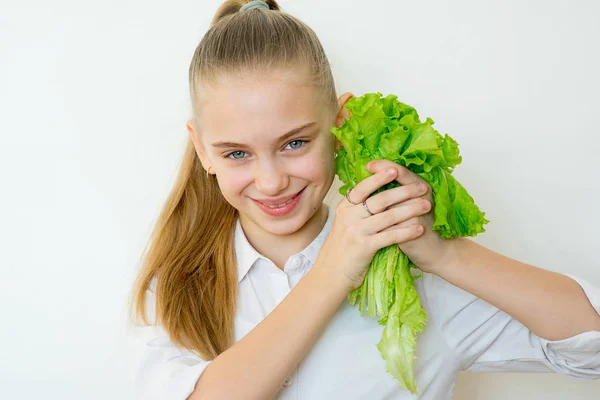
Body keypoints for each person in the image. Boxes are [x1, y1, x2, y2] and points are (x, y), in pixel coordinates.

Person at [129, 1, 600, 399]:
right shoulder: (174, 288)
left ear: (339, 125)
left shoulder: (410, 277)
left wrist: (446, 253)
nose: (270, 182)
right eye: (237, 153)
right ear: (201, 150)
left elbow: (590, 347)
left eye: (294, 143)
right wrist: (333, 272)